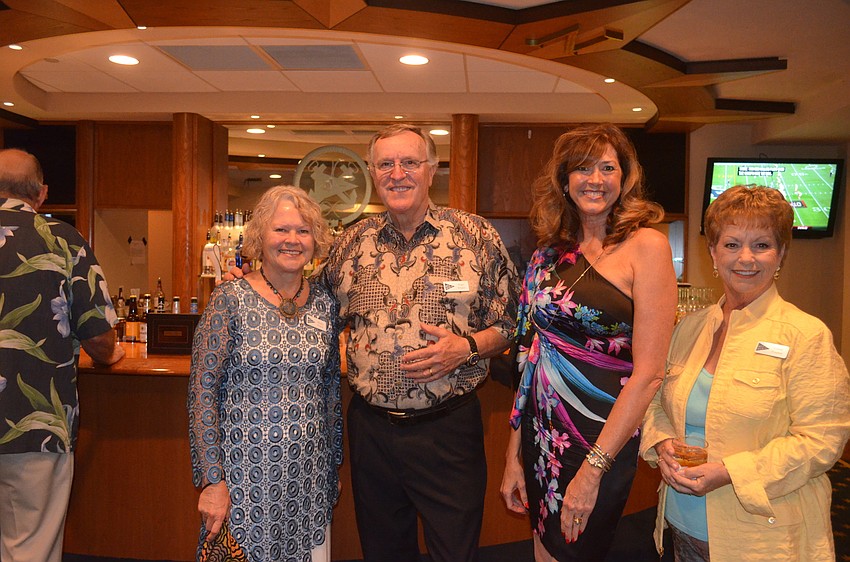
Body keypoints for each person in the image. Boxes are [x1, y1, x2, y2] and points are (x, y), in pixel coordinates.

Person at [321, 123, 519, 562]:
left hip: (447, 431)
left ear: (432, 171)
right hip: (372, 431)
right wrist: (257, 282)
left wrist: (466, 348)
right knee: (383, 552)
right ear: (373, 173)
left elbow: (514, 321)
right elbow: (316, 316)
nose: (398, 173)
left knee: (453, 552)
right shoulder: (350, 243)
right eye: (386, 164)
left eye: (410, 162)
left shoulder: (475, 236)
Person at [640, 185, 850, 561]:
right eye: (732, 245)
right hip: (681, 526)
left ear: (781, 253)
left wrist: (729, 472)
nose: (746, 259)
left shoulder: (806, 335)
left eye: (762, 245)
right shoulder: (689, 329)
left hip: (760, 540)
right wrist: (661, 443)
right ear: (713, 253)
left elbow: (822, 441)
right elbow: (655, 400)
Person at [500, 123, 677, 561]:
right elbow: (529, 360)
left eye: (607, 168)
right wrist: (514, 456)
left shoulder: (647, 246)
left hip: (602, 435)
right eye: (582, 168)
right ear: (564, 180)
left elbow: (650, 373)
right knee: (545, 548)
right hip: (541, 431)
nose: (595, 179)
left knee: (578, 550)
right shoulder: (548, 253)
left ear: (624, 177)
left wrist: (593, 471)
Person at [188, 185, 343, 561]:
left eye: (303, 231)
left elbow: (330, 393)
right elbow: (202, 394)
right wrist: (212, 480)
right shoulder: (229, 300)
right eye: (281, 230)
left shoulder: (325, 303)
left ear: (315, 240)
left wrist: (333, 466)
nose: (292, 240)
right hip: (243, 480)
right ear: (260, 236)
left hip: (309, 477)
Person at [0, 148, 124, 561]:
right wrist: (111, 355)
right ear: (42, 193)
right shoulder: (60, 238)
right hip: (33, 421)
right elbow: (100, 339)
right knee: (29, 546)